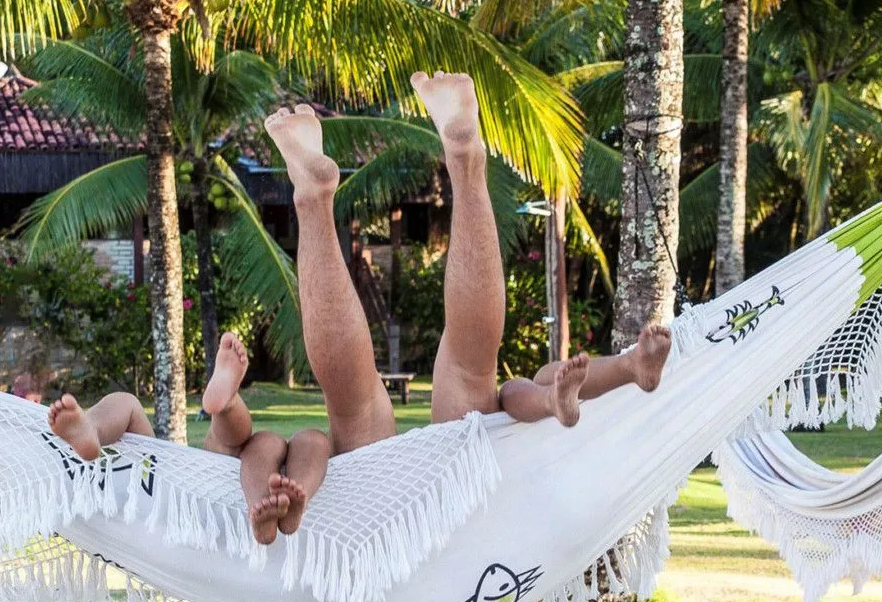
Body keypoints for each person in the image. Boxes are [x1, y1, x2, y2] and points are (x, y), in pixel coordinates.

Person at [258, 72, 672, 447]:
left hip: (376, 505)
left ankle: (312, 199)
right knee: (471, 370)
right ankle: (464, 159)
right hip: (466, 480)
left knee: (353, 407)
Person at [48, 331, 327, 546]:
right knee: (307, 440)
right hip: (192, 488)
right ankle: (90, 431)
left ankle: (228, 408)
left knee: (275, 441)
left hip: (175, 492)